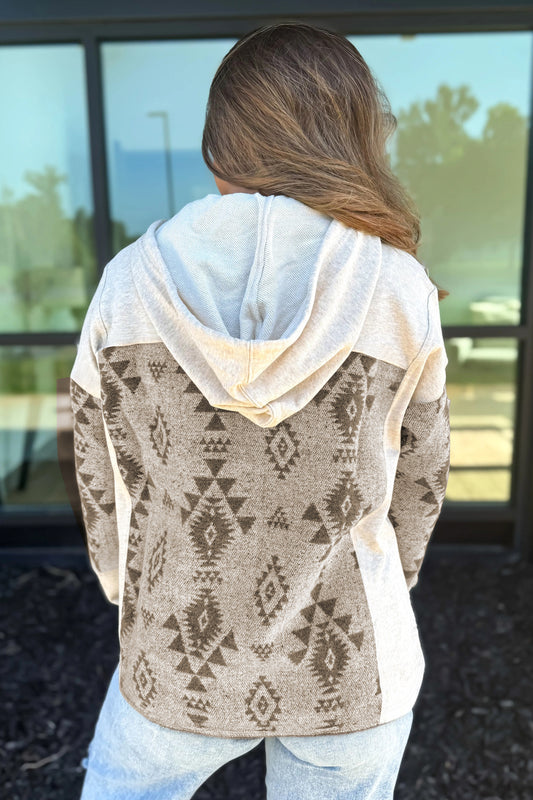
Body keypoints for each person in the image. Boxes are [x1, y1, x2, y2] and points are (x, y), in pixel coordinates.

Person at [70, 20, 451, 800]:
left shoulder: (127, 283)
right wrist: (382, 585)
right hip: (350, 671)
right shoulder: (397, 290)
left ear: (220, 145)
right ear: (348, 138)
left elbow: (100, 475)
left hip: (176, 662)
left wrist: (130, 590)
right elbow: (420, 484)